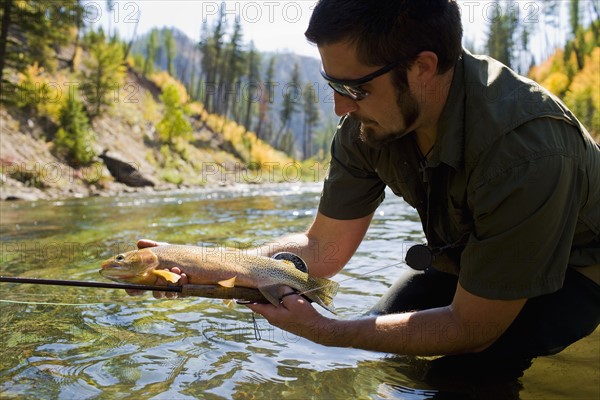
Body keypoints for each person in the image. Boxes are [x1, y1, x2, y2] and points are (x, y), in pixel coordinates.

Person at [139, 0, 600, 377]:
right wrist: (209, 264)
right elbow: (322, 248)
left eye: (352, 87)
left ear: (423, 67)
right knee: (382, 353)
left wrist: (328, 331)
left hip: (576, 274)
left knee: (464, 375)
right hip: (475, 261)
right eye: (330, 83)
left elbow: (471, 327)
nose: (340, 106)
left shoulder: (527, 149)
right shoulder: (370, 125)